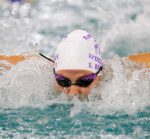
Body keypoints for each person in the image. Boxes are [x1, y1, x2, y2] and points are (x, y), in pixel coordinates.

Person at [0, 30, 150, 97]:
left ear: (100, 73)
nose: (72, 92)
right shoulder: (34, 68)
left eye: (84, 82)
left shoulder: (120, 73)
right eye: (63, 81)